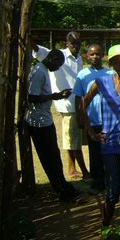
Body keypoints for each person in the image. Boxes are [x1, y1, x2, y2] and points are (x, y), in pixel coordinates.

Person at [83, 45, 120, 230]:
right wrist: (90, 131)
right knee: (112, 189)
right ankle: (106, 229)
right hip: (109, 142)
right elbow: (82, 104)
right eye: (115, 61)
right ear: (111, 63)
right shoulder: (102, 82)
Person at [25, 49, 80, 203]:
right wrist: (54, 96)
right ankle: (61, 190)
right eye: (58, 65)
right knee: (50, 158)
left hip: (45, 120)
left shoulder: (42, 70)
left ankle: (63, 186)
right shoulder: (38, 72)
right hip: (38, 123)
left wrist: (57, 95)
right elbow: (31, 97)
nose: (57, 68)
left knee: (54, 157)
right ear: (53, 58)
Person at [32, 32, 88, 179]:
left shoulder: (79, 59)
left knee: (73, 138)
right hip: (66, 105)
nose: (76, 46)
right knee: (73, 139)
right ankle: (81, 170)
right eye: (73, 43)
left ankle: (72, 168)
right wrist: (28, 38)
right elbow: (38, 50)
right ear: (67, 43)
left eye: (78, 43)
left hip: (78, 104)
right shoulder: (57, 55)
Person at [73, 44, 110, 194]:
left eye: (98, 54)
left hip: (107, 120)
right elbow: (78, 98)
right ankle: (97, 183)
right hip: (92, 120)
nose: (95, 57)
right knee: (94, 154)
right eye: (92, 54)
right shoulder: (82, 75)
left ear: (103, 56)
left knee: (107, 152)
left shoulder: (110, 73)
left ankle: (109, 181)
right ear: (87, 56)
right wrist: (80, 118)